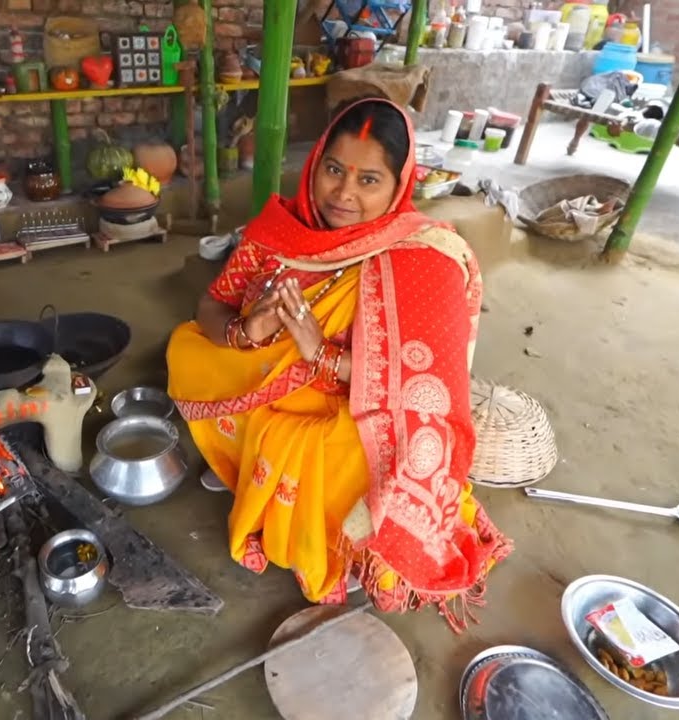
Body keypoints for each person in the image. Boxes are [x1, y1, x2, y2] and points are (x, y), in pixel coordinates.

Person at [166, 97, 510, 630]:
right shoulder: (279, 229)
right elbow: (211, 304)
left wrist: (321, 354)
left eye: (368, 180)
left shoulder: (425, 255)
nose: (344, 193)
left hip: (354, 404)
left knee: (377, 450)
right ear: (316, 164)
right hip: (265, 376)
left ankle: (341, 538)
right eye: (333, 170)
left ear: (400, 185)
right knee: (187, 349)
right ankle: (250, 473)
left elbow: (429, 388)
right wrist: (244, 329)